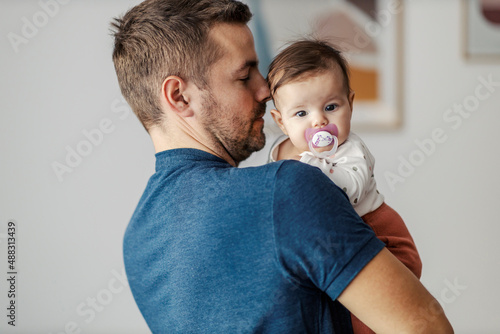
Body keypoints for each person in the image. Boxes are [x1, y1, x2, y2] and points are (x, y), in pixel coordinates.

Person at [111, 0, 453, 333]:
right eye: (245, 76)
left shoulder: (137, 239)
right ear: (179, 96)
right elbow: (425, 328)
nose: (266, 90)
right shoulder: (288, 189)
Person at [267, 40, 423, 334]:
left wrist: (308, 178)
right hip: (332, 246)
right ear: (281, 121)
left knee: (372, 317)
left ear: (350, 103)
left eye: (331, 106)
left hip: (382, 235)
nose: (319, 120)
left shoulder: (351, 151)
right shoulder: (280, 151)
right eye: (301, 114)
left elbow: (349, 189)